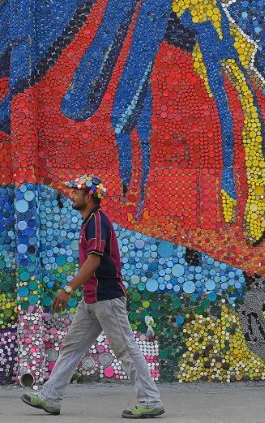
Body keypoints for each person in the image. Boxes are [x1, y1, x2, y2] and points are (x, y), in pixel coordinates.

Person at [21, 174, 165, 419]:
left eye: (77, 191)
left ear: (89, 196)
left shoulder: (96, 222)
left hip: (107, 298)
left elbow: (94, 260)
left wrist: (68, 289)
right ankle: (50, 397)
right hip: (91, 300)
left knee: (126, 349)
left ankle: (150, 400)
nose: (72, 195)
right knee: (72, 347)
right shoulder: (89, 221)